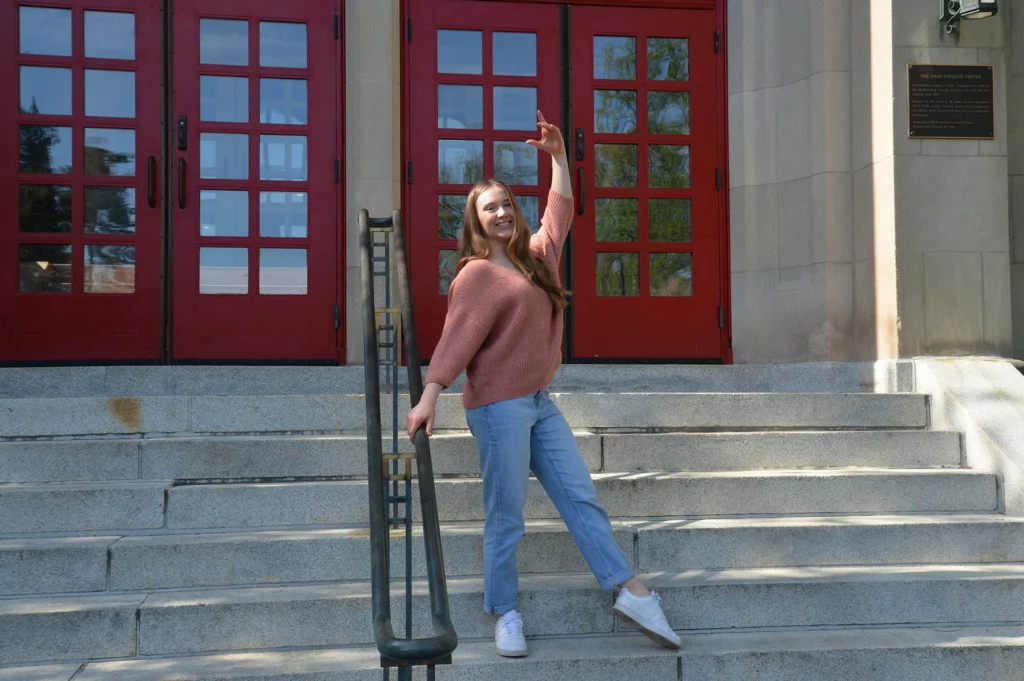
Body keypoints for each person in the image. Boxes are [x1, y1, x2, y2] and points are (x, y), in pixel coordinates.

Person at [407, 110, 681, 658]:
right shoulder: (477, 275)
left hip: (538, 403)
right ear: (476, 221)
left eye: (507, 203)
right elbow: (456, 338)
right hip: (498, 408)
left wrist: (558, 156)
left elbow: (561, 211)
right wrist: (430, 394)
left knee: (581, 498)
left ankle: (630, 590)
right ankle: (504, 612)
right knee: (506, 515)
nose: (503, 212)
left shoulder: (536, 261)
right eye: (491, 208)